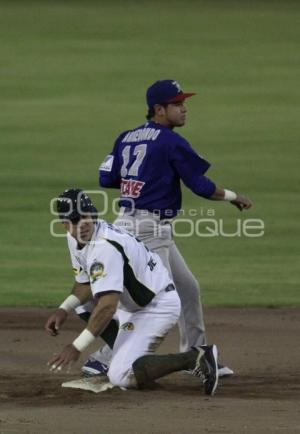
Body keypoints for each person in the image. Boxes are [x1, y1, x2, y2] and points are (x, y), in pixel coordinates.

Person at [96, 79, 252, 377]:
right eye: (177, 104)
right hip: (148, 229)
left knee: (188, 290)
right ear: (159, 109)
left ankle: (197, 356)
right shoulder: (170, 141)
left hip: (133, 225)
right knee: (158, 301)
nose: (184, 109)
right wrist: (234, 197)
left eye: (184, 103)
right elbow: (201, 186)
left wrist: (141, 177)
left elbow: (107, 178)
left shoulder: (125, 137)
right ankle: (104, 358)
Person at [45, 188, 219, 395]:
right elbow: (85, 282)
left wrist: (76, 347)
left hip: (156, 306)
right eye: (75, 219)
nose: (83, 223)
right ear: (64, 224)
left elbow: (107, 307)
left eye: (86, 215)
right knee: (82, 304)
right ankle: (128, 355)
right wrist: (63, 309)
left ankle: (196, 357)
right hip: (134, 303)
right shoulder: (74, 239)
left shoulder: (104, 247)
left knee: (120, 376)